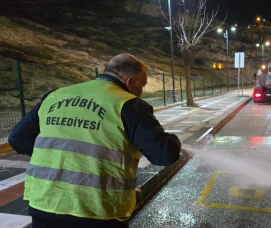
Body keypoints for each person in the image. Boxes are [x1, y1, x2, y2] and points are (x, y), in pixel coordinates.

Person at [8, 53, 182, 228]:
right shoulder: (128, 105)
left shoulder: (54, 96)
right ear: (130, 82)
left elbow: (17, 138)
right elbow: (164, 154)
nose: (142, 91)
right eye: (142, 85)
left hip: (44, 204)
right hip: (97, 210)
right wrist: (174, 141)